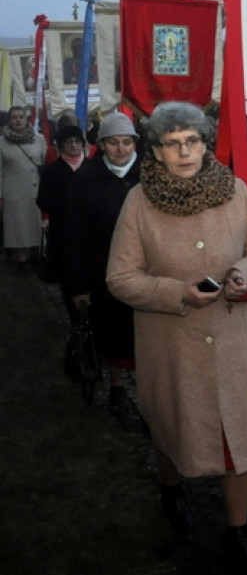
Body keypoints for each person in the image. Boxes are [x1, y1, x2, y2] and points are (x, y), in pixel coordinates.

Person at [106, 101, 247, 575]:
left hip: (233, 339)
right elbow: (120, 278)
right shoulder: (138, 202)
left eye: (193, 141)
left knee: (237, 439)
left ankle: (237, 535)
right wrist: (173, 292)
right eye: (172, 143)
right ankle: (170, 486)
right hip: (171, 342)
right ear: (157, 152)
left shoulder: (236, 191)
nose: (184, 151)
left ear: (205, 143)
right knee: (171, 424)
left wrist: (244, 273)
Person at [65, 113, 142, 418]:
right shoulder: (85, 179)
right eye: (113, 142)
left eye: (126, 142)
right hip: (103, 271)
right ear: (101, 145)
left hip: (147, 271)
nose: (121, 149)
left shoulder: (150, 174)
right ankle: (117, 387)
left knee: (148, 333)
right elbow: (72, 237)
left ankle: (153, 392)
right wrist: (78, 285)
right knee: (111, 332)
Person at [36, 124, 88, 319]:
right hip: (63, 234)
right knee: (69, 281)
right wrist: (68, 202)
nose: (74, 145)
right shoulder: (52, 171)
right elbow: (43, 202)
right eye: (69, 142)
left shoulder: (93, 168)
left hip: (91, 235)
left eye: (77, 141)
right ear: (60, 146)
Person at [1, 105, 47, 274]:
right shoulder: (1, 142)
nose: (18, 120)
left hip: (35, 190)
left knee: (35, 223)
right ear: (10, 121)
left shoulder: (39, 139)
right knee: (17, 226)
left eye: (21, 116)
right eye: (14, 117)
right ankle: (22, 260)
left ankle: (36, 255)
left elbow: (45, 164)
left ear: (26, 119)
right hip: (13, 192)